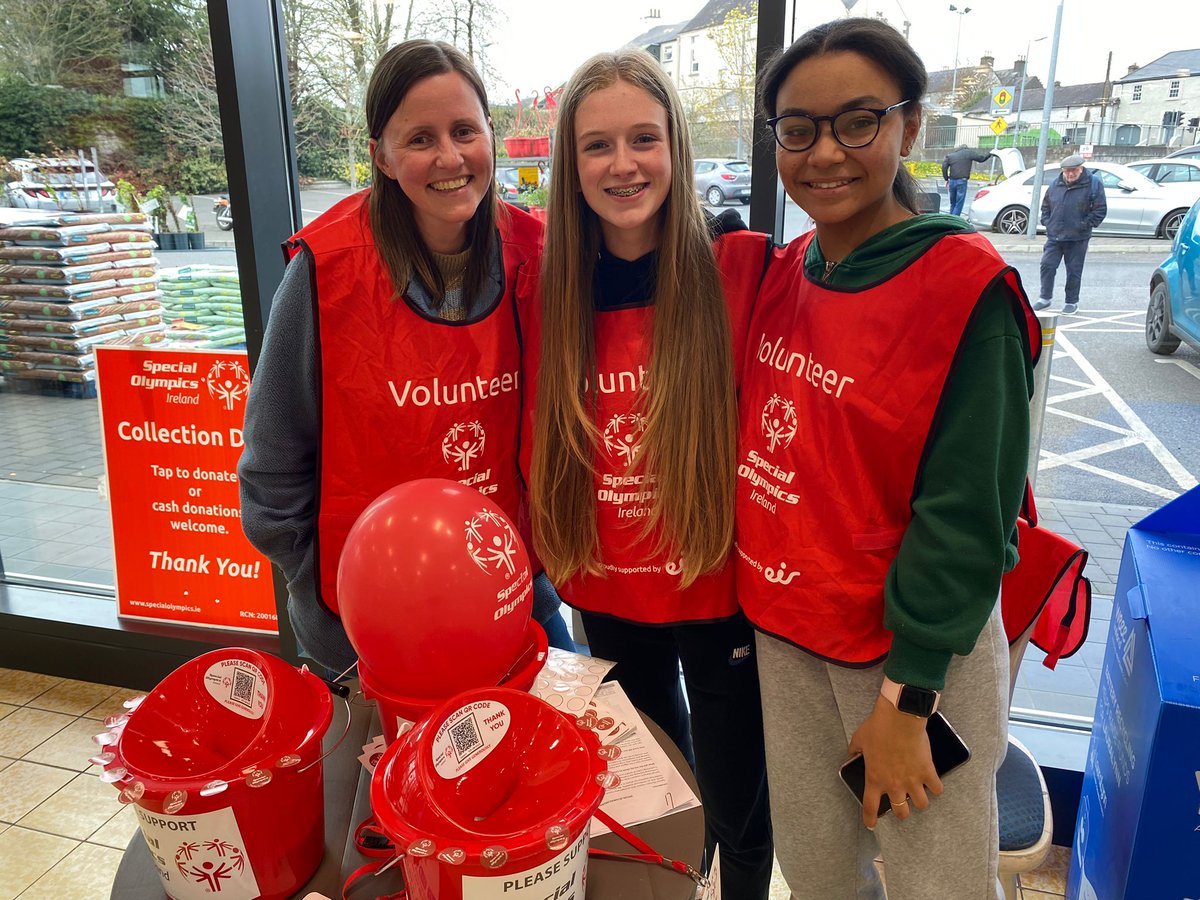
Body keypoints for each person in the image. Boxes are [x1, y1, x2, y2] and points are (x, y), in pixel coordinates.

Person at [738, 18, 1040, 899]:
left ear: (908, 127)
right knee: (820, 870)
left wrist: (911, 698)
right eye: (799, 129)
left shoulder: (963, 289)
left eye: (858, 121)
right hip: (790, 638)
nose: (825, 152)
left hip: (903, 657)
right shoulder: (792, 271)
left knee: (934, 881)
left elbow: (967, 515)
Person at [522, 49, 774, 899]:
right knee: (657, 792)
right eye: (598, 146)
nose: (623, 164)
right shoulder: (550, 287)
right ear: (571, 164)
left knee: (740, 804)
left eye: (643, 139)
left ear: (675, 149)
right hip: (608, 587)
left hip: (716, 589)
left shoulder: (742, 267)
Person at [238, 39, 571, 674]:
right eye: (420, 138)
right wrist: (324, 587)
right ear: (381, 157)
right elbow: (272, 468)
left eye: (465, 130)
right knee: (387, 777)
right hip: (368, 629)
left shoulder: (538, 257)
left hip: (516, 602)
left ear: (490, 135)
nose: (450, 157)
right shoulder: (326, 274)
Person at [1034, 153, 1107, 315]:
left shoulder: (1093, 184)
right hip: (1055, 235)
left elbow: (1100, 210)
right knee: (1047, 265)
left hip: (1077, 238)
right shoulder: (1056, 183)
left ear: (1081, 169)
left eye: (1073, 170)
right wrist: (1048, 222)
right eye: (1066, 171)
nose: (1070, 174)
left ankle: (1071, 302)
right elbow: (1046, 206)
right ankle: (1045, 297)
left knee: (1073, 270)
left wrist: (1084, 225)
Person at [942, 143, 993, 215]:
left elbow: (944, 167)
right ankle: (954, 220)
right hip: (962, 181)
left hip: (952, 181)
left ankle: (951, 219)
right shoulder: (969, 153)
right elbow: (981, 159)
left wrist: (946, 179)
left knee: (952, 202)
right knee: (959, 202)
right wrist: (990, 154)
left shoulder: (951, 156)